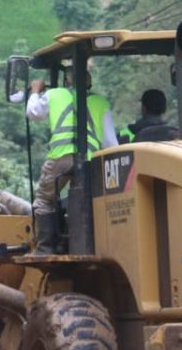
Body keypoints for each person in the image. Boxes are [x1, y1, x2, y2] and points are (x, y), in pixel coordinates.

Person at [26, 71, 118, 253]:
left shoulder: (55, 94)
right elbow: (110, 142)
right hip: (91, 160)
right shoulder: (101, 103)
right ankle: (90, 243)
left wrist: (35, 91)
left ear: (67, 80)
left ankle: (46, 248)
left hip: (61, 157)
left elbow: (33, 113)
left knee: (45, 200)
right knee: (87, 198)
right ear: (89, 83)